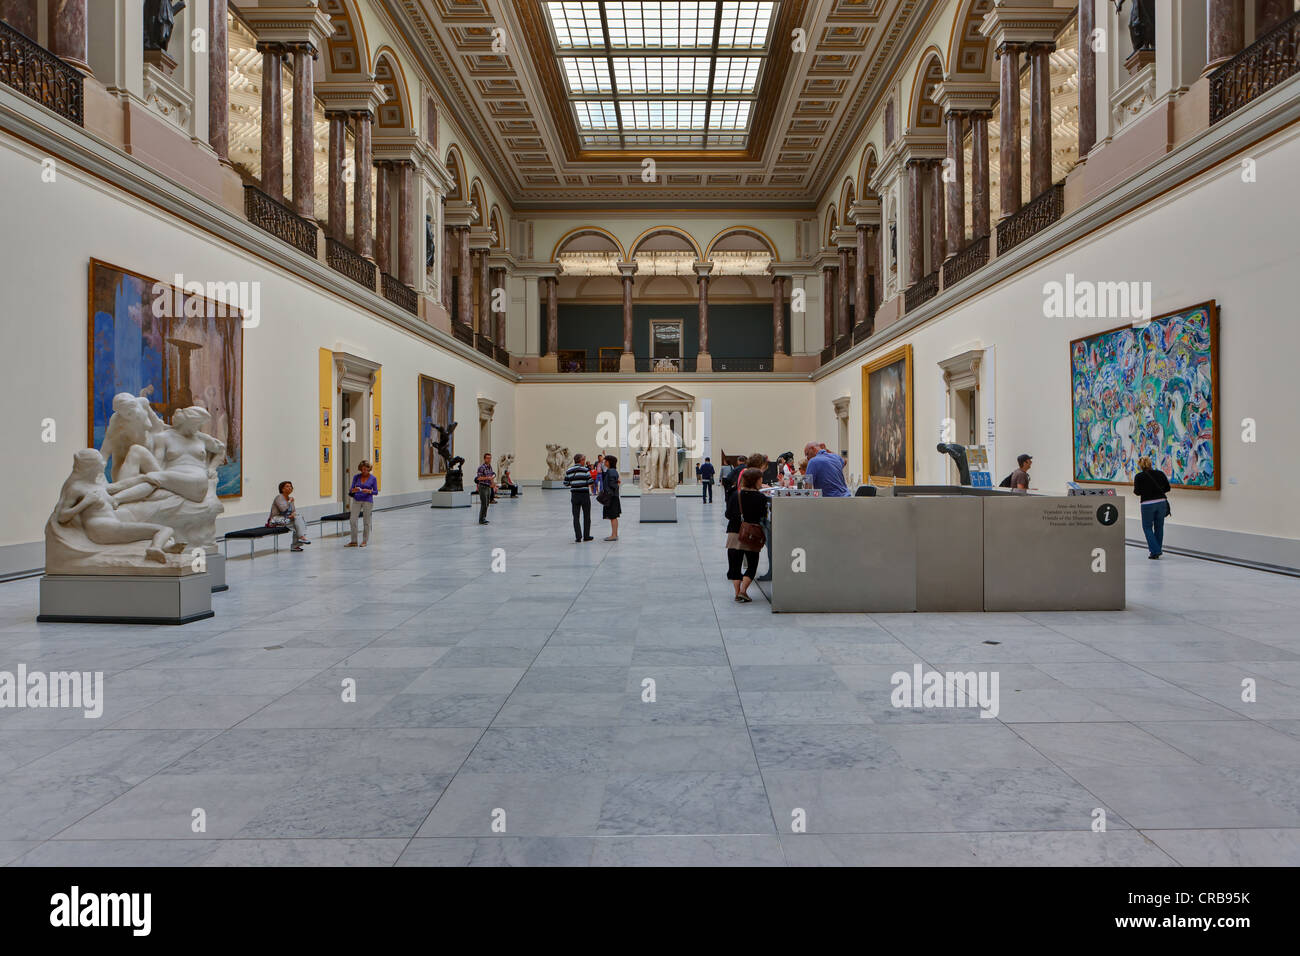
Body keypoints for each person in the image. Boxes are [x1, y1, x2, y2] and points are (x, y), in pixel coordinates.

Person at [725, 466, 768, 602]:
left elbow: (728, 514)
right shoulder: (760, 497)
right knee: (752, 564)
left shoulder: (734, 494)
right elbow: (762, 515)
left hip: (734, 534)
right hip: (752, 535)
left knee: (735, 566)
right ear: (756, 481)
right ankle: (744, 590)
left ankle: (737, 592)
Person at [1134, 455, 1172, 559]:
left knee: (1147, 527)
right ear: (1151, 463)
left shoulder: (1139, 477)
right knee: (1159, 527)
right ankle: (1156, 550)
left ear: (1140, 466)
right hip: (1161, 503)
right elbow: (1168, 488)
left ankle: (1155, 551)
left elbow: (1137, 492)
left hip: (1147, 504)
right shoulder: (1160, 473)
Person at [267, 480, 310, 551]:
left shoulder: (290, 498)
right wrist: (290, 501)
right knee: (298, 523)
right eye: (287, 486)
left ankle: (297, 543)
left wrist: (293, 514)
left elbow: (293, 511)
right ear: (282, 489)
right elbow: (283, 509)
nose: (290, 488)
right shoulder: (279, 497)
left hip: (286, 519)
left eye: (291, 486)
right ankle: (300, 539)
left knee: (298, 520)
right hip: (275, 519)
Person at [346, 459, 377, 547]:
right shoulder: (356, 477)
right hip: (357, 499)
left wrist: (369, 491)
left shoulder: (373, 478)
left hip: (367, 500)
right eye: (363, 469)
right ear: (360, 469)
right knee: (352, 520)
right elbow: (351, 489)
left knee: (366, 521)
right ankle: (354, 541)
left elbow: (376, 491)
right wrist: (354, 490)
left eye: (366, 469)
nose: (364, 471)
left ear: (369, 469)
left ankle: (364, 541)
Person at [565, 452, 594, 542]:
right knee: (587, 516)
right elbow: (590, 482)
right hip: (584, 495)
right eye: (584, 460)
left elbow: (566, 483)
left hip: (574, 495)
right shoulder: (585, 470)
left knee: (576, 516)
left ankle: (578, 536)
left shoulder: (569, 470)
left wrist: (574, 483)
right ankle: (586, 536)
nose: (584, 461)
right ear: (580, 460)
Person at [601, 454, 622, 540]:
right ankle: (614, 534)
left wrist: (608, 493)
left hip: (612, 497)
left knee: (613, 517)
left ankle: (614, 535)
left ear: (609, 462)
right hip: (613, 496)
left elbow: (614, 484)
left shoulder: (611, 471)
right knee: (613, 517)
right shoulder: (612, 470)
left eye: (605, 461)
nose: (604, 462)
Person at [474, 453, 495, 525]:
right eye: (487, 458)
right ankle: (481, 519)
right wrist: (487, 478)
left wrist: (493, 484)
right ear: (484, 459)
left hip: (488, 487)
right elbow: (479, 478)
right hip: (482, 487)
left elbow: (491, 476)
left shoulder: (490, 467)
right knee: (484, 503)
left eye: (490, 458)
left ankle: (484, 518)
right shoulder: (481, 467)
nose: (489, 460)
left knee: (487, 503)